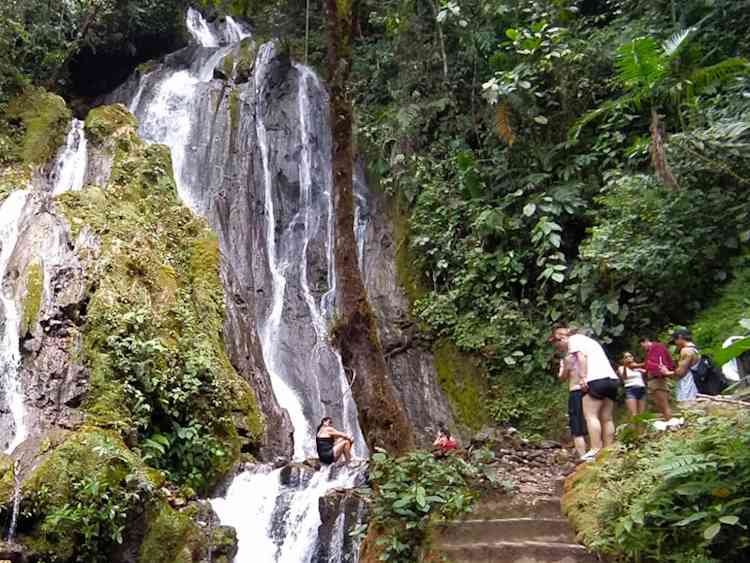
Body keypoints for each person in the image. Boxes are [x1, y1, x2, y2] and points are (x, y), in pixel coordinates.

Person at [550, 325, 619, 462]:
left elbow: (581, 357)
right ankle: (609, 449)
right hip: (611, 379)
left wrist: (583, 377)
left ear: (563, 338)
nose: (560, 346)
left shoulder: (574, 340)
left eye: (559, 342)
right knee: (607, 418)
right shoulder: (591, 342)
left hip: (595, 380)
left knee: (591, 416)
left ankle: (595, 449)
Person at [557, 351, 587, 458]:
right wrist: (566, 366)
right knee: (579, 422)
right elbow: (562, 377)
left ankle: (585, 456)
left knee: (579, 423)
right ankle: (584, 455)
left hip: (582, 389)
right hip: (579, 389)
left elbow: (561, 377)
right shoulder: (566, 359)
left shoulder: (586, 355)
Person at [659, 329, 700, 403]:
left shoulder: (686, 350)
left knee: (685, 408)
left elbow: (680, 372)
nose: (675, 343)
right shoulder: (695, 349)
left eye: (675, 340)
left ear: (680, 337)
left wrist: (666, 372)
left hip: (686, 387)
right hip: (695, 385)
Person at [639, 336, 675, 420]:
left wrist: (661, 371)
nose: (643, 348)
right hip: (653, 380)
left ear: (646, 341)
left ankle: (671, 423)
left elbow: (659, 363)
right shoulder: (650, 351)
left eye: (643, 345)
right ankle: (668, 421)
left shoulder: (657, 347)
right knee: (660, 406)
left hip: (657, 379)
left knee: (664, 405)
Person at [617, 352, 647, 417]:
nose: (628, 358)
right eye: (626, 357)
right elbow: (624, 377)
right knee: (634, 414)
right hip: (630, 389)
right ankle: (634, 427)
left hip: (641, 389)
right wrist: (625, 366)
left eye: (630, 356)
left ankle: (641, 427)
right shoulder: (621, 367)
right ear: (622, 360)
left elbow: (645, 371)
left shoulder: (637, 366)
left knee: (642, 415)